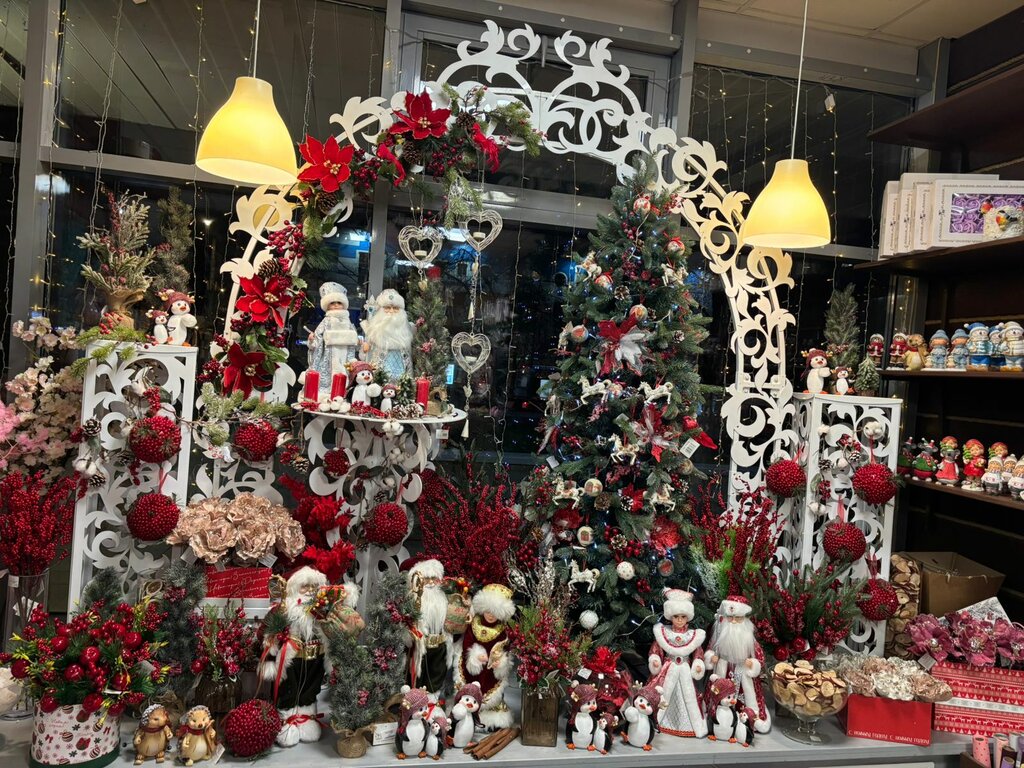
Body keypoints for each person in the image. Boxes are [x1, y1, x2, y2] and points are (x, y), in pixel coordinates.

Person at [259, 567, 360, 747]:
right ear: (294, 588)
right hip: (292, 659)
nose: (310, 591)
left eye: (314, 586)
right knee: (289, 687)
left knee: (310, 688)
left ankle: (306, 717)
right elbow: (265, 632)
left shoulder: (323, 607)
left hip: (316, 658)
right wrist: (273, 647)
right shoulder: (284, 609)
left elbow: (344, 603)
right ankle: (287, 720)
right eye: (305, 586)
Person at [704, 595, 771, 734]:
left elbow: (759, 658)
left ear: (744, 619)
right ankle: (720, 718)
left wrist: (752, 663)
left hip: (742, 672)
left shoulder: (749, 639)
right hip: (723, 669)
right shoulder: (719, 634)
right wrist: (711, 658)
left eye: (738, 618)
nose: (733, 621)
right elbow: (711, 649)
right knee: (720, 695)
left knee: (744, 698)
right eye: (730, 618)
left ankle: (746, 719)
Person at [647, 588, 707, 738]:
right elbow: (656, 650)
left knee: (686, 696)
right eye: (676, 616)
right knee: (665, 693)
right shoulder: (663, 633)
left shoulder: (692, 635)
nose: (679, 620)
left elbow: (698, 653)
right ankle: (661, 721)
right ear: (670, 616)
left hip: (685, 669)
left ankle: (687, 724)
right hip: (668, 668)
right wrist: (655, 660)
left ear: (688, 617)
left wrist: (698, 664)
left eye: (683, 616)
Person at [454, 583, 514, 730]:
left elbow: (505, 648)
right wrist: (475, 655)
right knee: (469, 685)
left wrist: (500, 661)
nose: (491, 615)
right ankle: (466, 710)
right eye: (488, 611)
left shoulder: (502, 629)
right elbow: (467, 643)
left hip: (491, 670)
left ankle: (491, 716)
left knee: (493, 691)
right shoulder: (474, 624)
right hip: (473, 667)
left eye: (495, 612)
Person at [405, 559, 456, 698]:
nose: (431, 582)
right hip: (421, 645)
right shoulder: (413, 598)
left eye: (434, 578)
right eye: (427, 579)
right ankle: (415, 701)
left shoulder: (444, 597)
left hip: (440, 644)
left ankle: (433, 701)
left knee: (437, 673)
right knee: (418, 675)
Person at [308, 282, 359, 399]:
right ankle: (328, 394)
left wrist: (359, 343)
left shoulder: (348, 321)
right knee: (329, 375)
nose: (336, 305)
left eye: (339, 303)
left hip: (345, 354)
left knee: (345, 373)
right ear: (327, 305)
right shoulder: (326, 321)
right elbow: (318, 338)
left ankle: (344, 394)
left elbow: (354, 339)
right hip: (329, 354)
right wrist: (312, 340)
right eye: (332, 303)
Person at [361, 288, 413, 380]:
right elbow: (364, 355)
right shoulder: (373, 330)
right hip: (379, 373)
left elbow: (409, 357)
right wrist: (364, 348)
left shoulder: (407, 330)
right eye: (387, 308)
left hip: (401, 374)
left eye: (396, 308)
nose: (391, 311)